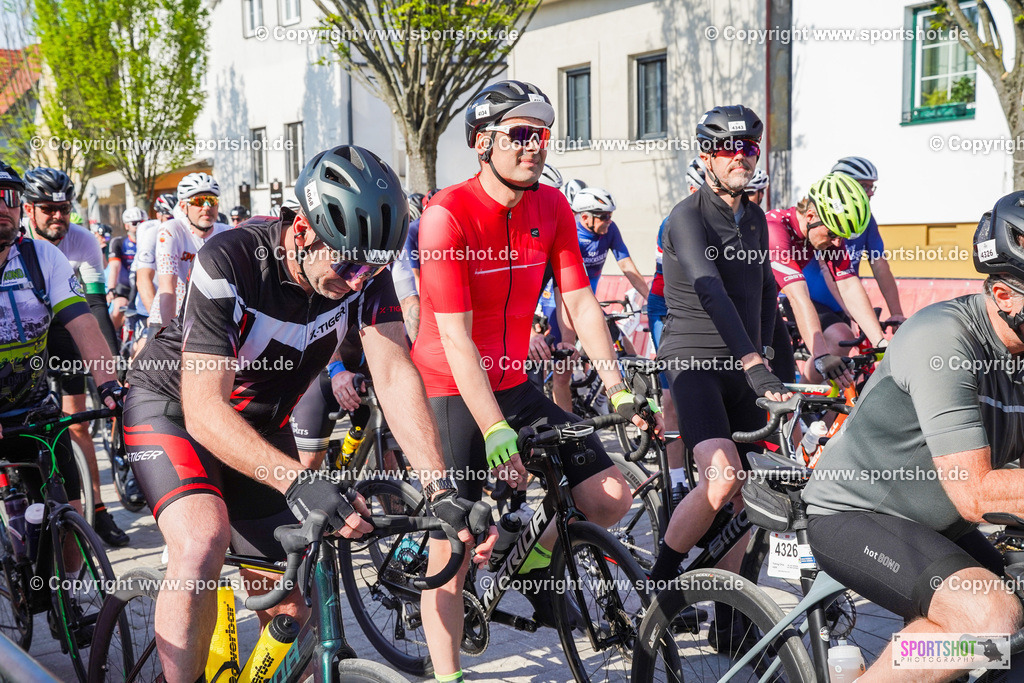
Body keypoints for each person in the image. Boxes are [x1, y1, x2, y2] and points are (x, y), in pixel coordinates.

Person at [123, 145, 496, 683]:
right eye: (347, 263)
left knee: (294, 612)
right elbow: (205, 410)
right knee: (203, 538)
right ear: (301, 229)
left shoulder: (361, 275)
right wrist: (299, 481)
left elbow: (393, 374)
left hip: (257, 425)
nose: (358, 280)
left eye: (374, 267)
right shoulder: (230, 260)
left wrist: (441, 490)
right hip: (175, 409)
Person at [411, 79, 660, 683]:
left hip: (513, 382)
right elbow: (455, 338)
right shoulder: (447, 216)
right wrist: (494, 429)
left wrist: (619, 386)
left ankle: (538, 556)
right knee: (455, 544)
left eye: (541, 134)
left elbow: (580, 299)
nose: (534, 146)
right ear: (482, 142)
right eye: (520, 134)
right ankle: (447, 674)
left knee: (609, 495)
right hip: (449, 385)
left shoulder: (551, 207)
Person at [801, 192, 1024, 682]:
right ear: (1005, 297)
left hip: (936, 525)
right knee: (991, 620)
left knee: (1002, 627)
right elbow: (975, 493)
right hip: (858, 514)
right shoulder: (943, 338)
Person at [651, 106, 789, 651]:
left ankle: (730, 616)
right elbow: (710, 289)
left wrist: (776, 366)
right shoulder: (686, 216)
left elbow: (766, 295)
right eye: (729, 148)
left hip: (745, 368)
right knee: (721, 478)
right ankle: (660, 582)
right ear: (706, 156)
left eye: (749, 148)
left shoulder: (755, 219)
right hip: (695, 363)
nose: (741, 157)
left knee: (750, 496)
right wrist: (753, 363)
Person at [22, 167, 129, 547]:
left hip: (68, 325)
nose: (58, 217)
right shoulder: (18, 246)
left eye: (64, 209)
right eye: (48, 209)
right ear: (28, 210)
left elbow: (96, 307)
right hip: (30, 332)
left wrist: (111, 375)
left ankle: (97, 509)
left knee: (77, 423)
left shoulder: (82, 240)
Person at [767, 172, 887, 387]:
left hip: (765, 311)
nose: (837, 242)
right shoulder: (775, 228)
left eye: (843, 235)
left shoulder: (825, 235)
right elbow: (798, 296)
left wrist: (881, 342)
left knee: (789, 396)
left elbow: (849, 285)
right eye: (832, 234)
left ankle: (804, 421)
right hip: (734, 314)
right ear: (811, 216)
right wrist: (821, 356)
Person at [802, 156, 906, 332]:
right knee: (839, 341)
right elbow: (827, 270)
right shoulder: (823, 217)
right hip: (812, 299)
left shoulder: (867, 220)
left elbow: (880, 266)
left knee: (858, 350)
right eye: (864, 186)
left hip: (843, 299)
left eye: (872, 186)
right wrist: (855, 313)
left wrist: (896, 313)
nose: (871, 192)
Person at [151, 173, 229, 331]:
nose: (206, 206)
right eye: (199, 201)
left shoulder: (228, 234)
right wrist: (168, 332)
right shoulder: (172, 230)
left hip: (209, 318)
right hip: (171, 312)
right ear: (182, 206)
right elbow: (167, 286)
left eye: (212, 200)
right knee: (150, 354)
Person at [131, 193, 175, 347]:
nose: (172, 223)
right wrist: (153, 314)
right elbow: (143, 279)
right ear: (158, 215)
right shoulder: (151, 232)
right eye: (169, 219)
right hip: (150, 305)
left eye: (175, 218)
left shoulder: (183, 231)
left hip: (178, 308)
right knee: (145, 351)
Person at [107, 206, 144, 331]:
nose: (138, 226)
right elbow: (114, 268)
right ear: (127, 226)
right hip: (125, 289)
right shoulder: (118, 242)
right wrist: (111, 289)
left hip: (143, 287)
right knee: (118, 308)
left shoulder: (151, 242)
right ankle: (112, 338)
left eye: (142, 222)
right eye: (134, 223)